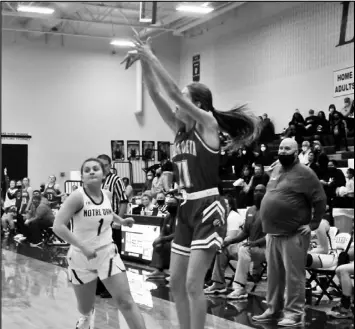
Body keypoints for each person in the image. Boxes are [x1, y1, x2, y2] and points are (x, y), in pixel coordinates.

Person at [122, 37, 259, 329]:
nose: (175, 107)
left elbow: (171, 92)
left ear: (195, 104)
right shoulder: (179, 132)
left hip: (209, 206)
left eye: (182, 101)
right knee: (175, 286)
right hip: (185, 207)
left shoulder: (207, 124)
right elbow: (158, 94)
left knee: (194, 285)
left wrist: (151, 56)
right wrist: (146, 64)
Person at [53, 158, 146, 329]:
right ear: (82, 177)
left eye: (95, 168)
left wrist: (122, 221)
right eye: (87, 170)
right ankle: (86, 318)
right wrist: (82, 246)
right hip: (81, 257)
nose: (91, 171)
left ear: (103, 174)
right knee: (85, 307)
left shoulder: (107, 194)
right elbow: (57, 226)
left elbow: (107, 212)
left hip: (108, 254)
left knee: (125, 301)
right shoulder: (76, 197)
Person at [252, 138, 327, 327]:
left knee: (294, 276)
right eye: (281, 148)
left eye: (287, 148)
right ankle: (273, 309)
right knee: (274, 274)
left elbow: (320, 199)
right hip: (272, 233)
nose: (283, 151)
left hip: (294, 234)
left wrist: (313, 223)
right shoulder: (276, 169)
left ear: (296, 152)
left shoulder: (306, 173)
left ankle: (293, 313)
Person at [222, 185, 267, 300]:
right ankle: (218, 283)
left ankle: (240, 288)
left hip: (266, 250)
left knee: (243, 249)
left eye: (261, 191)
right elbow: (245, 233)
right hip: (250, 249)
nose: (257, 193)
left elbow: (271, 235)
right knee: (222, 248)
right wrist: (230, 241)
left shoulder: (269, 210)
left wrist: (255, 243)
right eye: (256, 190)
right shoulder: (250, 210)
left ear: (266, 193)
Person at [96, 154, 128, 297]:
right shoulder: (96, 180)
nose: (102, 167)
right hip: (98, 226)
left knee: (112, 257)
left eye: (105, 165)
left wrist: (118, 221)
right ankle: (99, 285)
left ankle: (112, 288)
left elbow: (124, 201)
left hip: (112, 224)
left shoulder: (116, 180)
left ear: (110, 166)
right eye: (100, 164)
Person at [204, 194, 245, 294]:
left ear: (230, 206)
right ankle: (217, 282)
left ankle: (213, 281)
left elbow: (231, 237)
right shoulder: (222, 217)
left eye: (225, 204)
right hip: (230, 245)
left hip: (239, 247)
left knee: (219, 249)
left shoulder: (233, 216)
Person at [147, 196, 179, 279]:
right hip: (167, 238)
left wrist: (163, 239)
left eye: (172, 203)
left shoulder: (179, 217)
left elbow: (177, 233)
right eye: (169, 203)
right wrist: (159, 238)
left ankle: (169, 270)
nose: (170, 205)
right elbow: (163, 231)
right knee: (156, 243)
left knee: (165, 245)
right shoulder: (168, 216)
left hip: (177, 240)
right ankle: (158, 270)